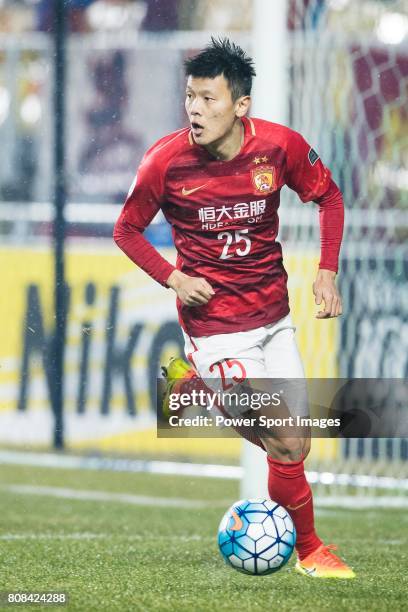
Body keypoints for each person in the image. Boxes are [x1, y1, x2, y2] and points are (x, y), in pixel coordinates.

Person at [114, 37, 354, 579]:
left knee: (295, 449)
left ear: (240, 105)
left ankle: (192, 392)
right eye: (189, 98)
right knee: (284, 436)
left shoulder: (278, 147)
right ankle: (311, 551)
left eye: (208, 99)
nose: (195, 110)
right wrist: (174, 277)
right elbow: (126, 230)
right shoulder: (164, 162)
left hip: (273, 319)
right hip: (216, 330)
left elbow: (329, 196)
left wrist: (327, 270)